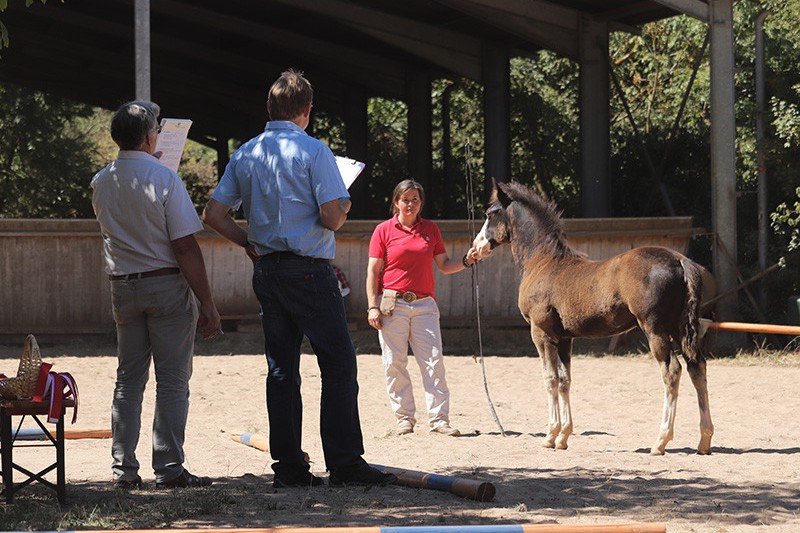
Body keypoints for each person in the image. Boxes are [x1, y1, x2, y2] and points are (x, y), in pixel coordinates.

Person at [202, 69, 396, 489]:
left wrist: (247, 242)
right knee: (338, 364)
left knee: (281, 370)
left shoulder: (246, 153)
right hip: (309, 269)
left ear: (269, 108)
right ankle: (345, 463)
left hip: (267, 269)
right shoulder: (314, 150)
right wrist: (343, 205)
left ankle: (289, 467)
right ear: (307, 110)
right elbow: (331, 217)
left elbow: (213, 215)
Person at [91, 100, 220, 489]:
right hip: (164, 284)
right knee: (173, 379)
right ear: (150, 138)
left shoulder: (101, 181)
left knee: (128, 380)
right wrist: (207, 302)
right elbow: (184, 246)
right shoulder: (165, 179)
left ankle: (123, 468)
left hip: (122, 285)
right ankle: (168, 466)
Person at [366, 179, 478, 437]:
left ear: (421, 203)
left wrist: (467, 260)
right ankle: (404, 419)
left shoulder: (430, 229)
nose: (410, 204)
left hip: (425, 304)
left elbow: (444, 264)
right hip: (392, 303)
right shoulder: (383, 230)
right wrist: (372, 306)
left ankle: (439, 420)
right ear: (396, 202)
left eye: (415, 199)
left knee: (433, 362)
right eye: (405, 199)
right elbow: (373, 271)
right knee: (394, 362)